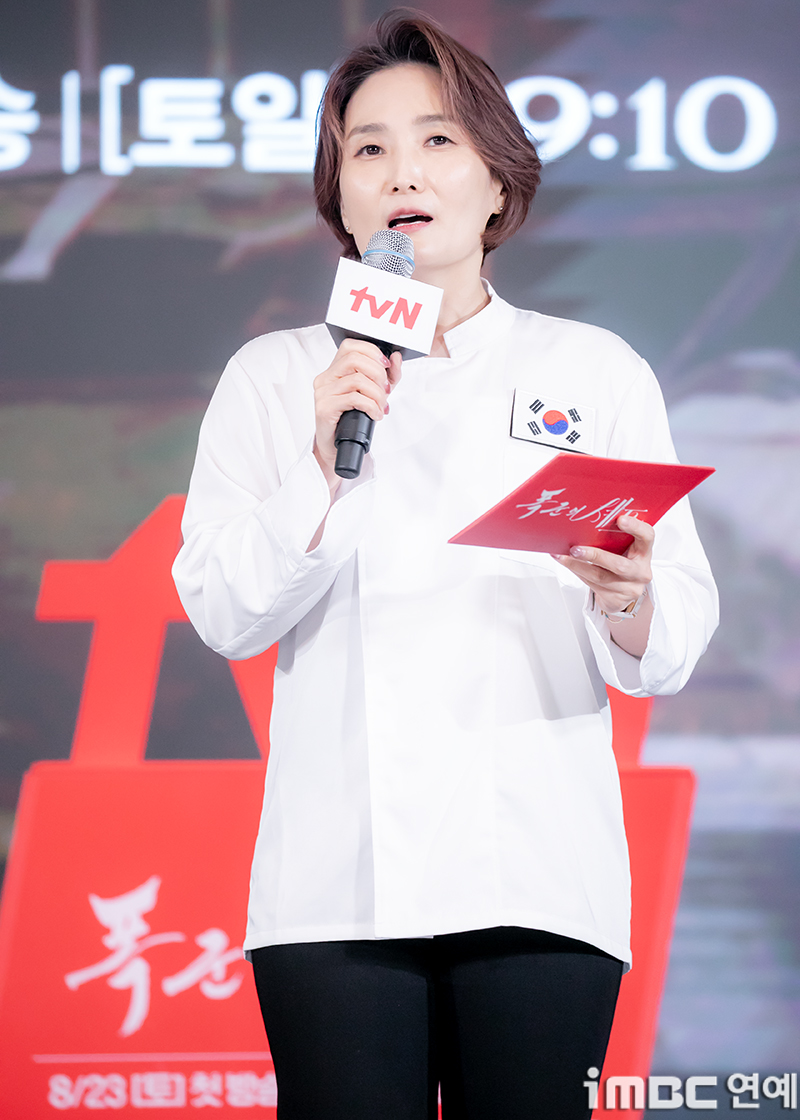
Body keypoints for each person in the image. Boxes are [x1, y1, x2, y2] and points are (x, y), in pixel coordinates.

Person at [172, 11, 718, 1119]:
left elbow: (666, 647)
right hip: (335, 887)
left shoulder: (591, 369)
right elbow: (225, 612)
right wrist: (321, 470)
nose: (401, 173)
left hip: (537, 874)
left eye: (435, 141)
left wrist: (630, 597)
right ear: (341, 199)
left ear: (496, 183)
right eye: (367, 149)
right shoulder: (276, 376)